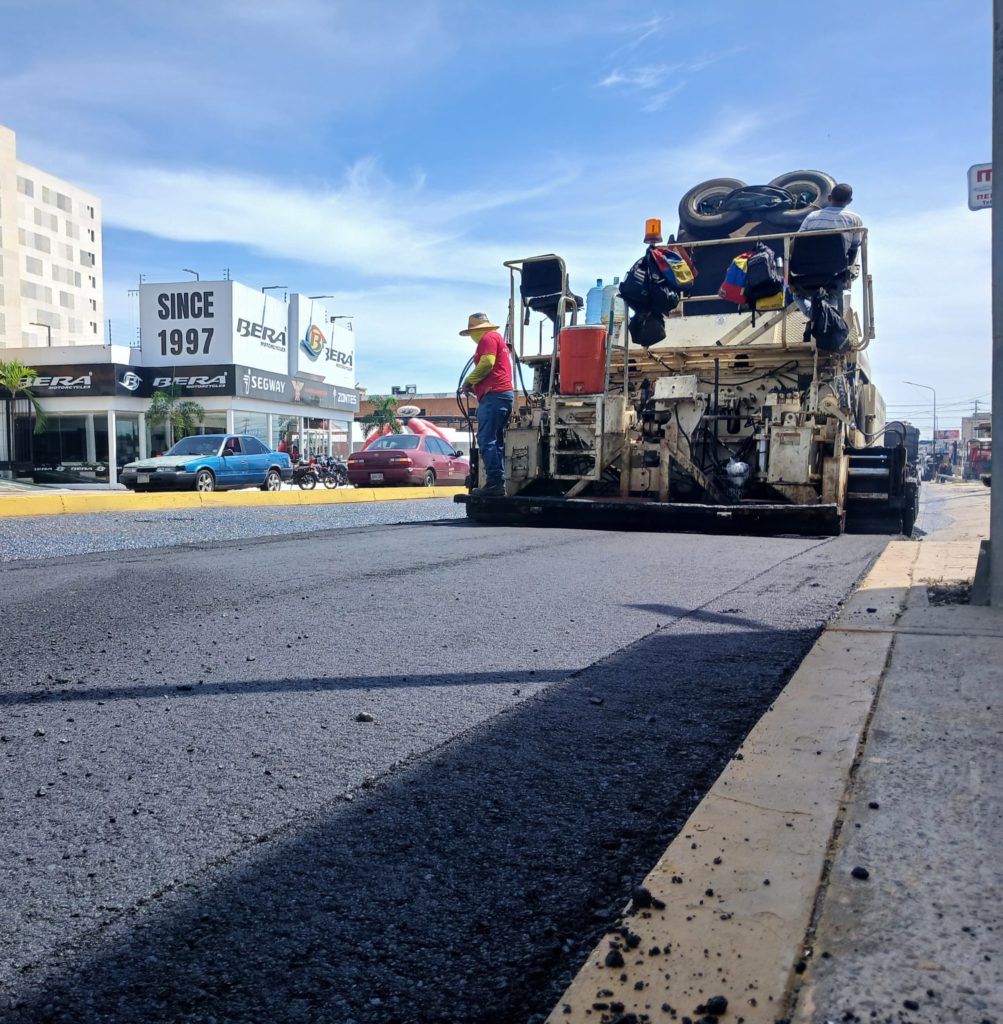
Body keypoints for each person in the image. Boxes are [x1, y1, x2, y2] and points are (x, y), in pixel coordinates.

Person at [460, 312, 514, 497]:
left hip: (495, 396)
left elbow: (487, 364)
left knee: (486, 439)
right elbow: (496, 370)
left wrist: (468, 381)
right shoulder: (497, 338)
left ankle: (495, 484)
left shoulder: (488, 338)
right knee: (496, 441)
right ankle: (498, 482)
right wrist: (476, 387)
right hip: (502, 395)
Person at [796, 182, 863, 316]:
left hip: (808, 270)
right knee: (834, 292)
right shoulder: (854, 220)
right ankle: (829, 315)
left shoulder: (812, 217)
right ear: (849, 201)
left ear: (829, 197)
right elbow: (855, 246)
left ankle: (814, 315)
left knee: (797, 295)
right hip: (836, 271)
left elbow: (797, 241)